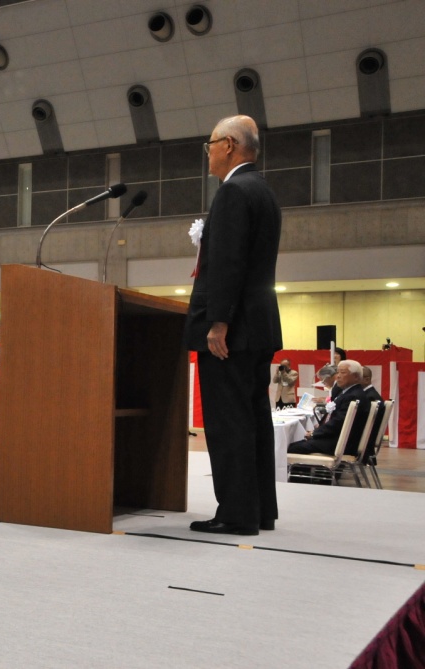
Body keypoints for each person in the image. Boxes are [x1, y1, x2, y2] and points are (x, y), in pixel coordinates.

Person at [184, 115, 282, 536]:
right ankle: (260, 510)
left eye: (209, 144)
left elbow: (228, 265)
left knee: (229, 423)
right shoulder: (263, 191)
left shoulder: (232, 192)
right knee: (254, 418)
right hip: (259, 325)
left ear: (227, 145)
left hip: (233, 329)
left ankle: (236, 513)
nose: (206, 152)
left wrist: (217, 322)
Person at [288, 360, 368, 457]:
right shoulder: (349, 392)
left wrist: (315, 433)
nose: (338, 376)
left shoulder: (353, 396)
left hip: (341, 443)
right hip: (339, 440)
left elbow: (339, 422)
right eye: (337, 372)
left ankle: (307, 471)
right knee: (298, 442)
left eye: (343, 373)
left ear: (355, 376)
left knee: (292, 447)